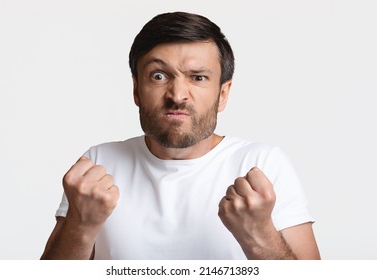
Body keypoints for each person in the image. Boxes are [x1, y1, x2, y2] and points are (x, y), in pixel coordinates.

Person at [41, 11, 320, 260]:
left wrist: (260, 236)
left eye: (198, 77)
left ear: (222, 94)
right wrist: (80, 225)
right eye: (159, 76)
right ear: (137, 90)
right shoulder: (99, 163)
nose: (177, 95)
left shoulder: (263, 165)